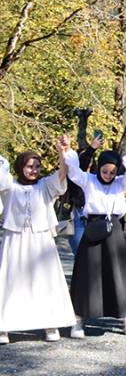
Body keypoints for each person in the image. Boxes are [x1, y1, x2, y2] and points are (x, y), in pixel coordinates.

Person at [64, 137, 126, 338]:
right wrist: (67, 149)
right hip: (92, 228)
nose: (108, 175)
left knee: (118, 273)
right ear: (99, 168)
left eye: (112, 172)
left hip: (114, 228)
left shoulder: (120, 183)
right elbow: (73, 171)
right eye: (104, 171)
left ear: (117, 171)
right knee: (85, 273)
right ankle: (79, 320)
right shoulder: (88, 180)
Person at [0, 139, 76, 344]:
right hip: (14, 239)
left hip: (40, 240)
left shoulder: (44, 186)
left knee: (45, 280)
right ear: (20, 167)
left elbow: (62, 174)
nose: (34, 170)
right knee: (10, 281)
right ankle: (4, 326)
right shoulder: (8, 185)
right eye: (29, 166)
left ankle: (50, 324)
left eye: (37, 166)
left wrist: (62, 152)